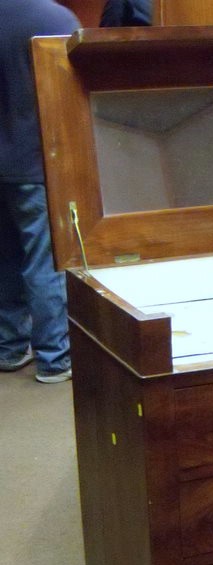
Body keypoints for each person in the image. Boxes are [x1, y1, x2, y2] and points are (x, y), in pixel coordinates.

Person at [0, 0, 79, 383]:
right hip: (36, 161)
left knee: (6, 260)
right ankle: (54, 357)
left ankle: (9, 347)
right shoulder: (54, 19)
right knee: (46, 263)